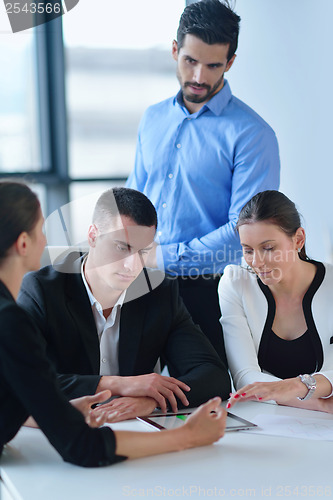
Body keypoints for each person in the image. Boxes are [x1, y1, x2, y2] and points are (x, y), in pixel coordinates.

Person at [0, 180, 227, 467]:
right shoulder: (26, 304)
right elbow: (80, 445)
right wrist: (187, 436)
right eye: (122, 247)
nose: (133, 265)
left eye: (144, 252)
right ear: (93, 236)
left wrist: (152, 400)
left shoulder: (158, 292)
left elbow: (214, 375)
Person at [126, 0, 280, 363]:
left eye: (212, 65)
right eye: (190, 61)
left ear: (230, 62)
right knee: (132, 394)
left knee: (203, 400)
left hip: (207, 290)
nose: (198, 77)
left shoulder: (252, 135)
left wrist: (163, 258)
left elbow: (244, 232)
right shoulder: (153, 119)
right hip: (140, 283)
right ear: (175, 50)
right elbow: (133, 198)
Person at [217, 190, 333, 413]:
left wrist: (293, 388)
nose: (257, 262)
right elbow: (244, 378)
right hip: (271, 420)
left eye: (268, 248)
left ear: (298, 239)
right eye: (248, 250)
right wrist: (313, 399)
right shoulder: (235, 283)